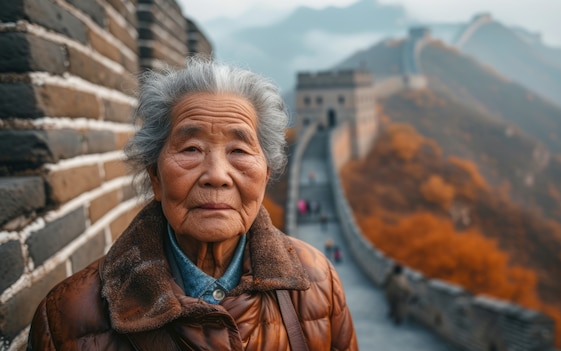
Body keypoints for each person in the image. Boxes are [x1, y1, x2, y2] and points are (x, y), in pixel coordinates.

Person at [28, 58, 357, 350]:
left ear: (265, 176)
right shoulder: (66, 319)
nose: (216, 176)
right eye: (190, 149)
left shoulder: (318, 284)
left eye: (239, 151)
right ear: (155, 177)